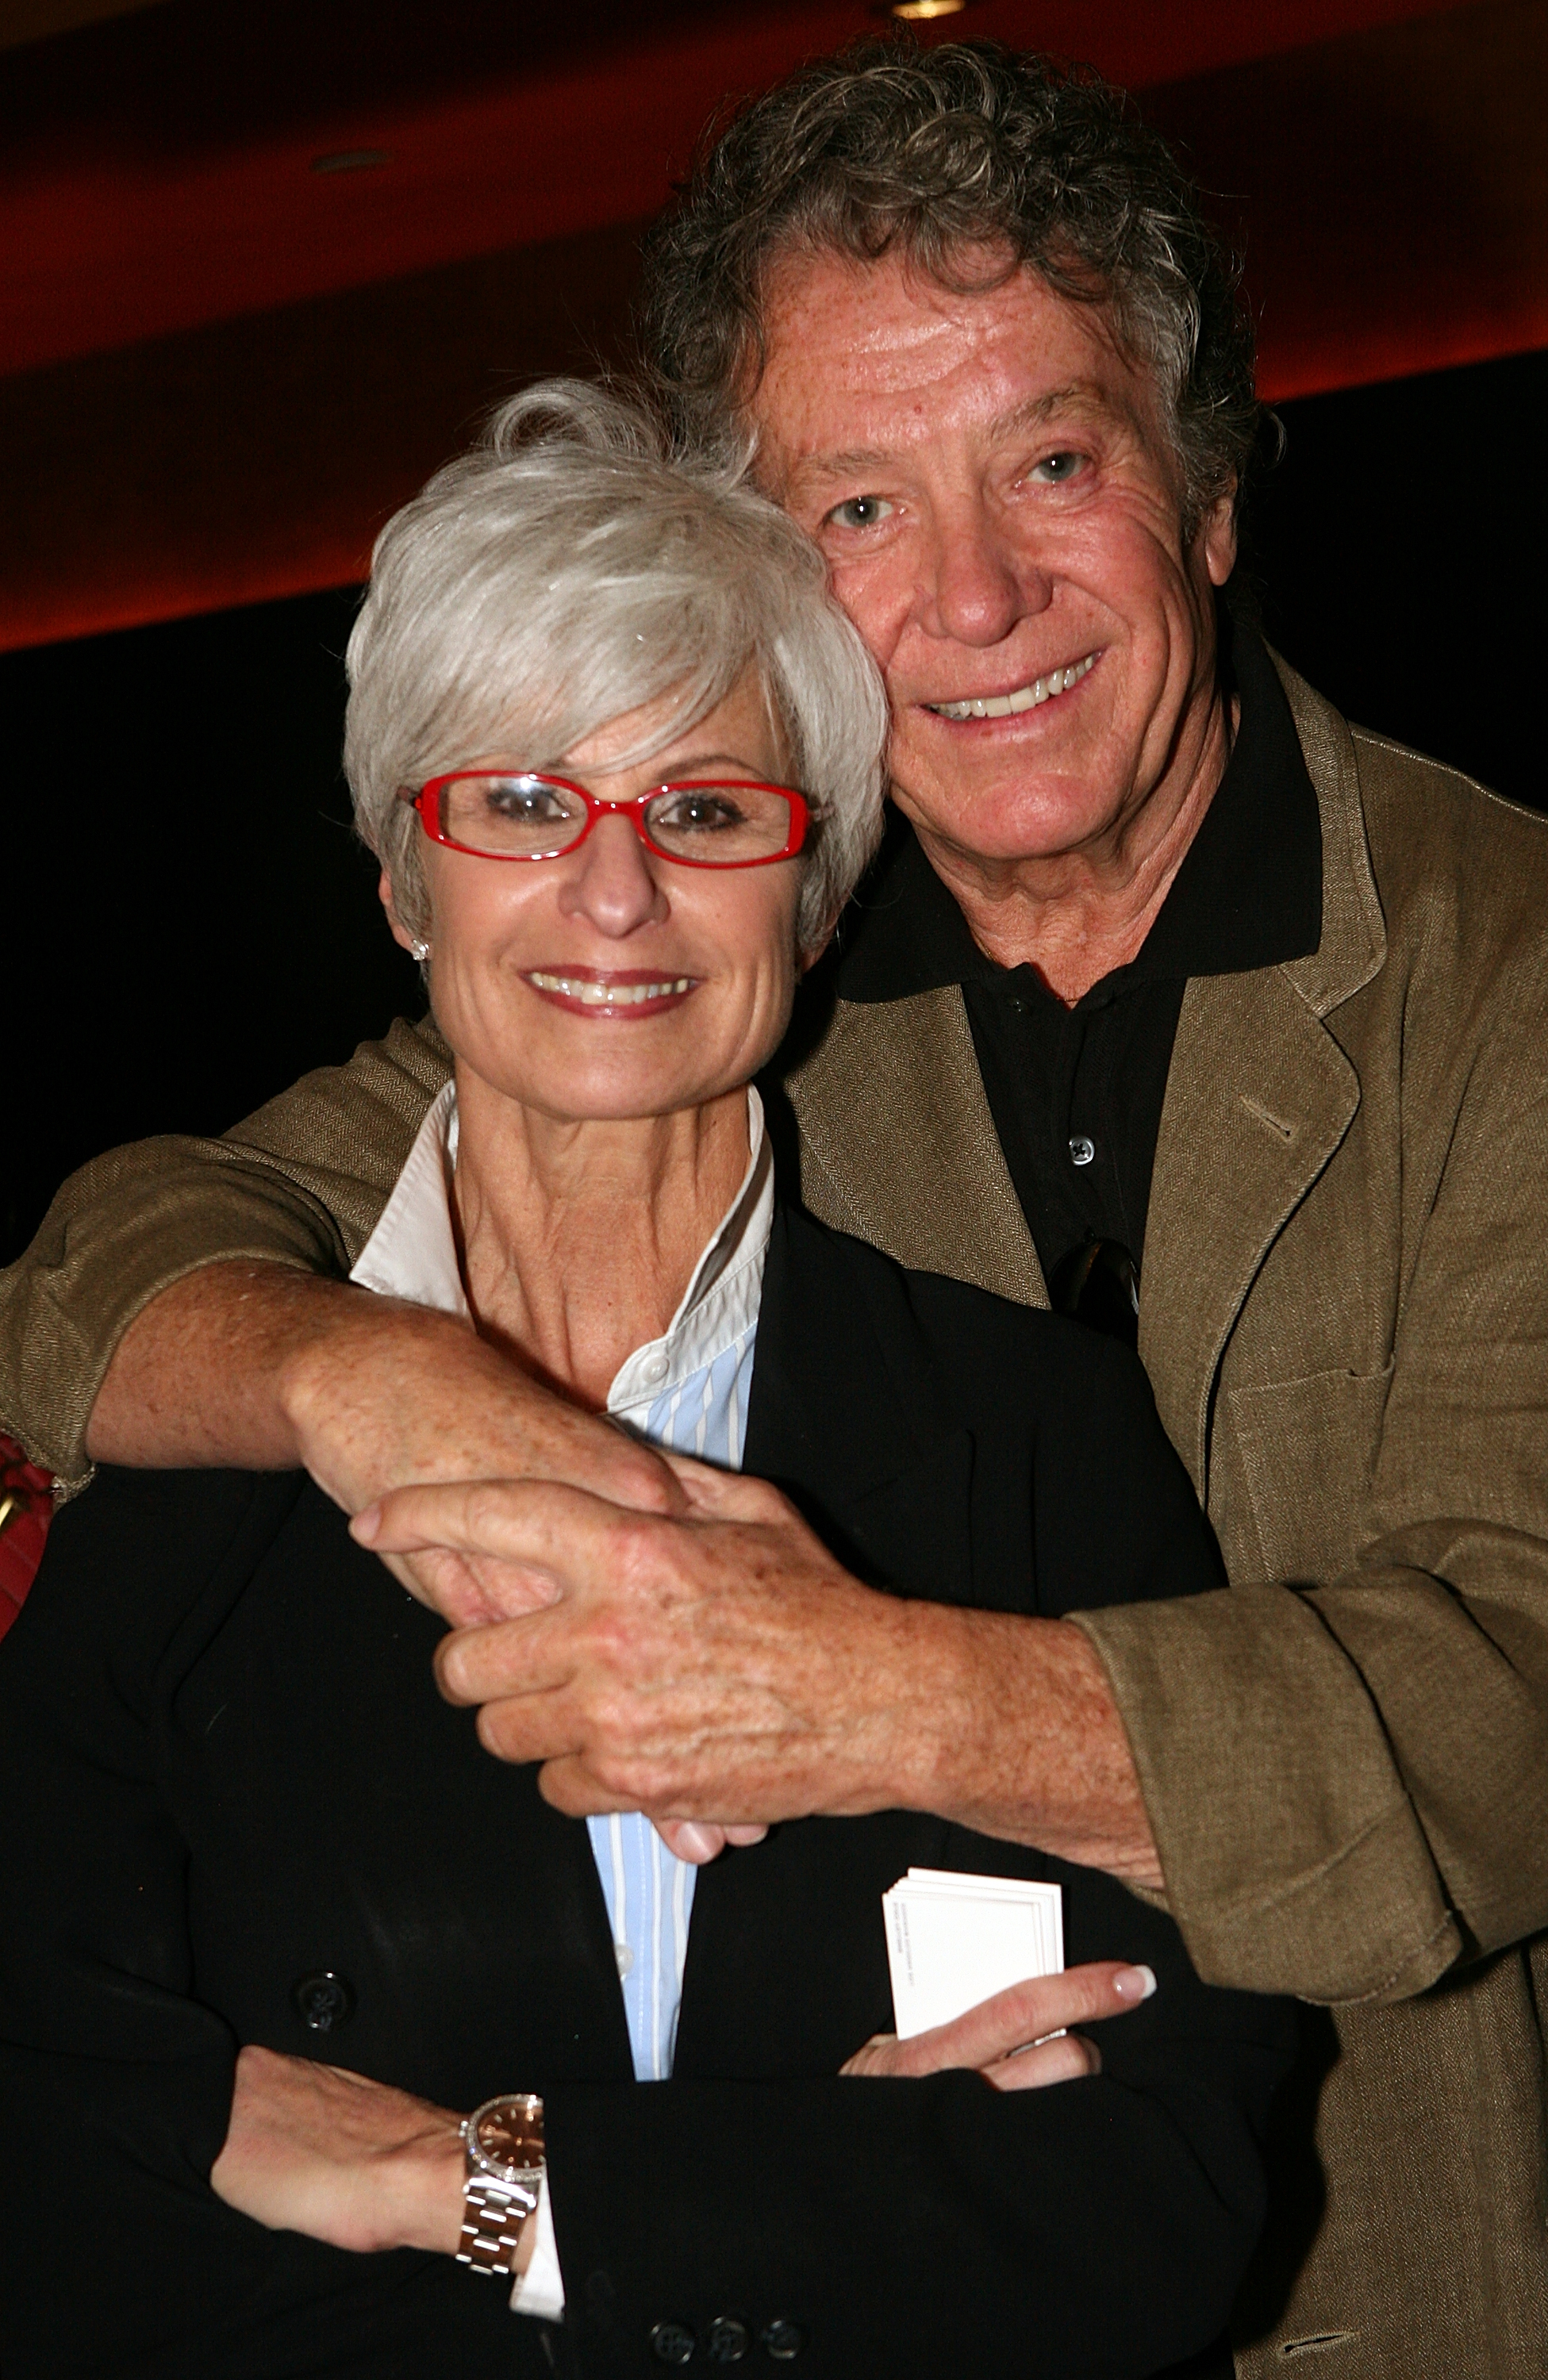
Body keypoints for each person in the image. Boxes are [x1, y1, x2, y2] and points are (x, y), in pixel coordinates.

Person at [0, 37, 1548, 2375]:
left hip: (1484, 2270)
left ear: (1211, 491)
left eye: (1051, 460)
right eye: (856, 510)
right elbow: (110, 1274)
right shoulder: (706, 968)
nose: (974, 596)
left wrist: (854, 1694)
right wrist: (357, 1372)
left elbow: (1538, 1705)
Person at [0, 386, 1290, 2380]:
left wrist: (467, 2182)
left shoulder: (1032, 1437)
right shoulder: (197, 1476)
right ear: (400, 878)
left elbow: (1138, 2210)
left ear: (822, 880)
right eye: (519, 804)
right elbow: (72, 2217)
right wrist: (800, 2188)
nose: (615, 897)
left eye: (704, 809)